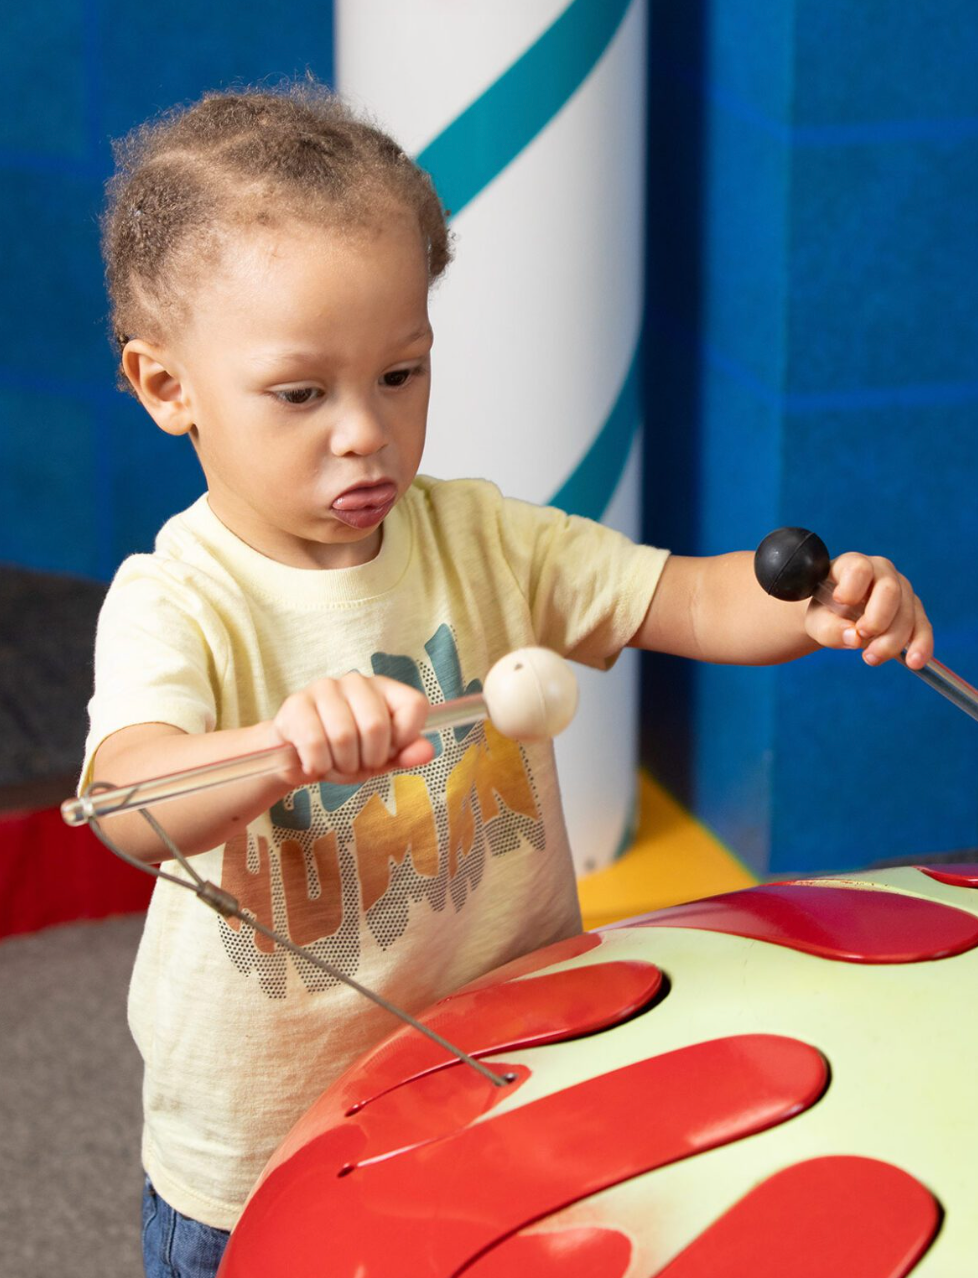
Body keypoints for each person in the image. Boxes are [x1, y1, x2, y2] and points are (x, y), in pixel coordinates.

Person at [83, 81, 933, 1278]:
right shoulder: (177, 599)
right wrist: (281, 744)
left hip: (499, 1075)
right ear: (167, 387)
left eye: (400, 374)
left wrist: (818, 602)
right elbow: (127, 802)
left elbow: (684, 597)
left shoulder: (482, 538)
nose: (364, 433)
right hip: (263, 1155)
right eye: (299, 393)